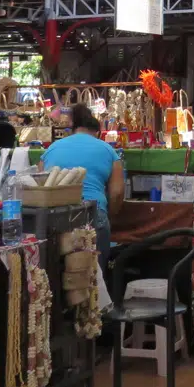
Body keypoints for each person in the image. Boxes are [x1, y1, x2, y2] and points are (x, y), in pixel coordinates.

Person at [42, 103, 123, 265]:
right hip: (94, 214)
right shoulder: (108, 150)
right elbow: (117, 193)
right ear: (96, 132)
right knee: (94, 277)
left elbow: (40, 184)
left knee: (58, 275)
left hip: (55, 217)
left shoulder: (51, 149)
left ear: (73, 129)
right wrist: (109, 216)